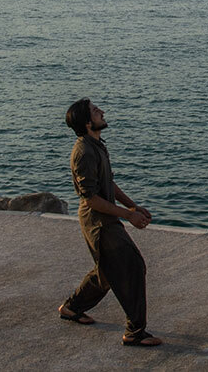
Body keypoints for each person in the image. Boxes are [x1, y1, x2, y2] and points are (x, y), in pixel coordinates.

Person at [58, 98, 163, 347]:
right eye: (95, 111)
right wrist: (128, 216)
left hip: (106, 216)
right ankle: (135, 332)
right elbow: (90, 198)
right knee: (132, 267)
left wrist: (132, 205)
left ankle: (72, 307)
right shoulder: (83, 151)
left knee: (106, 271)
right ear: (86, 122)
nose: (102, 112)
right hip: (98, 222)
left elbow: (109, 183)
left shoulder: (97, 145)